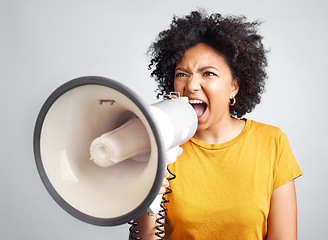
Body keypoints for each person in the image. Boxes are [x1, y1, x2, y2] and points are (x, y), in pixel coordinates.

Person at [130, 9, 302, 240]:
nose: (191, 85)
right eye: (182, 74)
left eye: (208, 73)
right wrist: (149, 192)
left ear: (234, 87)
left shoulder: (271, 142)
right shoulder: (159, 146)